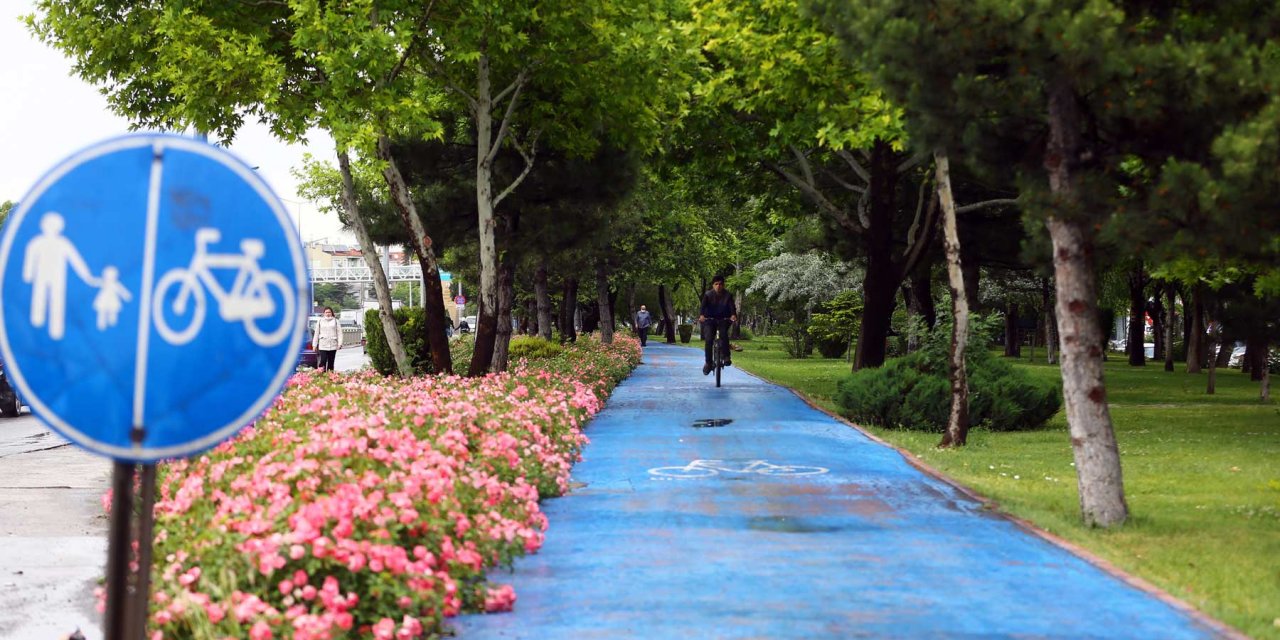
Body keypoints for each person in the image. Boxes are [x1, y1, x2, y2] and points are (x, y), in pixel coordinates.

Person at [698, 275, 737, 375]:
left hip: (724, 319)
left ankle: (726, 356)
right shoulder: (708, 295)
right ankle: (708, 363)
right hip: (709, 320)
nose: (718, 286)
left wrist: (733, 315)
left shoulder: (728, 295)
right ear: (713, 285)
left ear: (723, 285)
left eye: (720, 284)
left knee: (724, 334)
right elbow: (703, 307)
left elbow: (732, 307)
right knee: (709, 339)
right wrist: (702, 315)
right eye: (716, 284)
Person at [315, 307, 341, 371]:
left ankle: (330, 377)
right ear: (324, 313)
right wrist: (314, 345)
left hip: (333, 345)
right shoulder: (320, 321)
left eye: (329, 312)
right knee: (323, 361)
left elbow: (340, 333)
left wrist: (339, 344)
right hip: (323, 345)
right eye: (326, 312)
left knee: (331, 362)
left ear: (332, 313)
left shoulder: (336, 321)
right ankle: (321, 376)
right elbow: (316, 333)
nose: (328, 314)